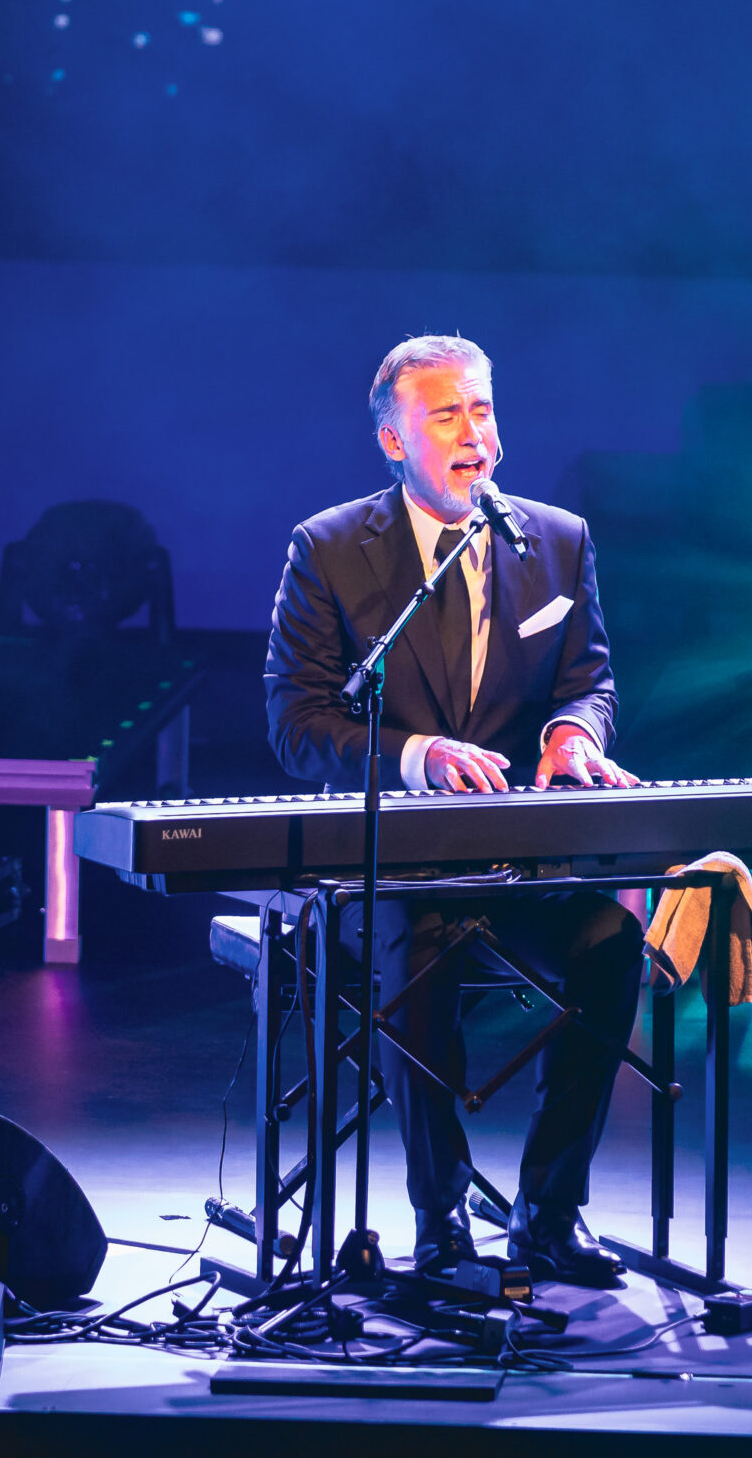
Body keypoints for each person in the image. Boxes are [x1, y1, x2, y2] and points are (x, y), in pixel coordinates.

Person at [264, 334, 644, 1288]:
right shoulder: (328, 550)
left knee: (612, 942)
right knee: (419, 942)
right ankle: (439, 1218)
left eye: (483, 409)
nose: (477, 433)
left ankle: (549, 1212)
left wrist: (573, 734)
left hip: (519, 868)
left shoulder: (559, 539)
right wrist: (416, 757)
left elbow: (589, 681)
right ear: (394, 442)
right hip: (391, 870)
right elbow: (297, 723)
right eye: (447, 414)